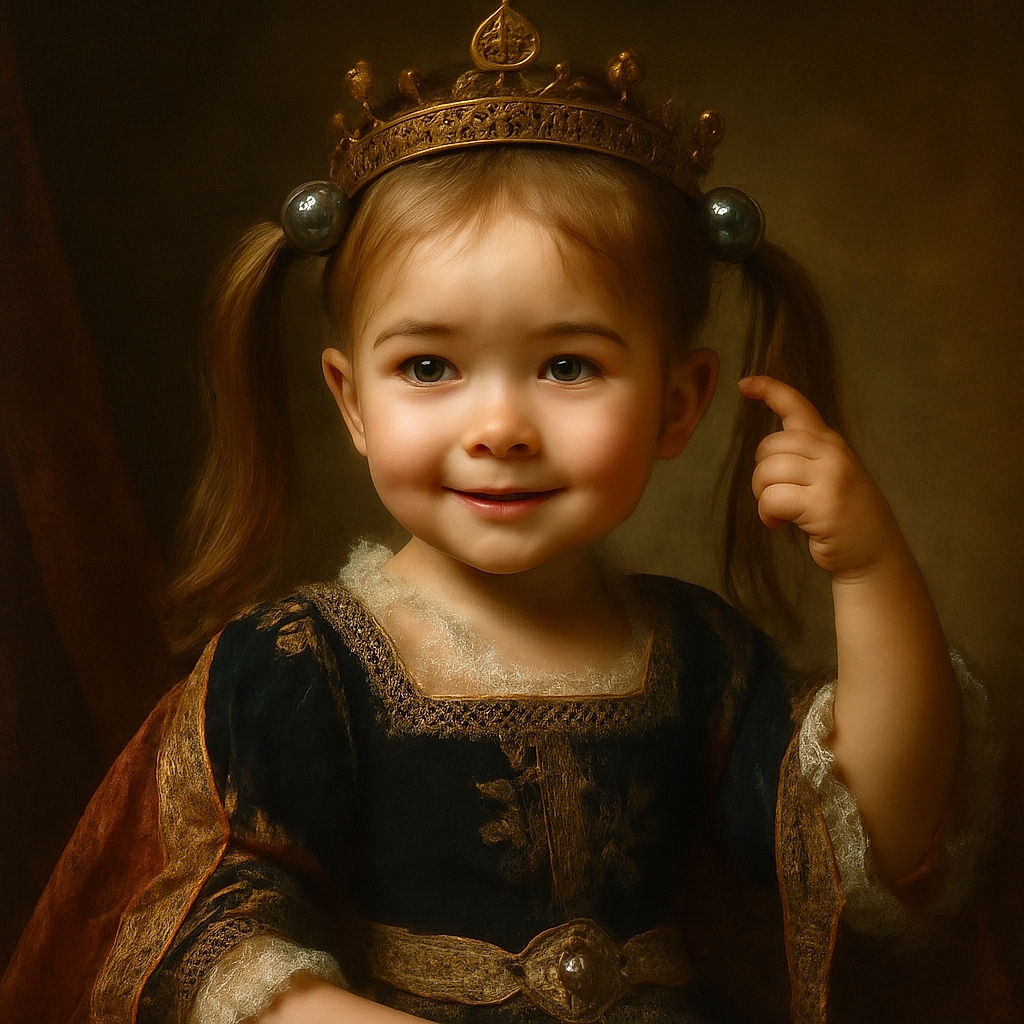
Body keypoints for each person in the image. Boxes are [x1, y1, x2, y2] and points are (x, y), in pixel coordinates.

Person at [0, 3, 992, 1024]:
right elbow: (203, 930)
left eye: (567, 365)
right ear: (351, 400)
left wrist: (870, 572)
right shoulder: (302, 663)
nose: (499, 426)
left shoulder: (700, 655)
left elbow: (878, 845)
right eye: (429, 367)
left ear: (679, 401)